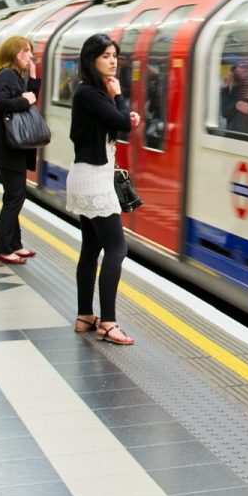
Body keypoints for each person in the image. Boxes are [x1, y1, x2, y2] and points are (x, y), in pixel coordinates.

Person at [68, 33, 141, 345]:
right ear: (92, 60)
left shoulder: (92, 94)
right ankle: (108, 323)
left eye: (115, 55)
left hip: (88, 175)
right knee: (116, 248)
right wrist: (120, 97)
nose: (113, 61)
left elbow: (114, 125)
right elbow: (122, 124)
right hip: (95, 179)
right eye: (106, 56)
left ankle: (86, 316)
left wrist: (120, 112)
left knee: (91, 248)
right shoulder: (89, 93)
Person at [0, 35, 40, 265]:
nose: (30, 56)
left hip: (13, 145)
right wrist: (24, 100)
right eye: (26, 52)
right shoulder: (6, 74)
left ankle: (14, 244)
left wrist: (32, 79)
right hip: (8, 145)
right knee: (14, 197)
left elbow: (30, 99)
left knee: (15, 195)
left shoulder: (15, 75)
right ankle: (2, 248)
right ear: (15, 53)